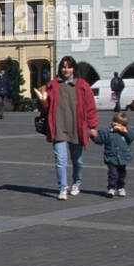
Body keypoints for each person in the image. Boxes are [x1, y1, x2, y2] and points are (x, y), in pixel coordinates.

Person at [37, 55, 98, 201]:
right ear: (60, 69)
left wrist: (93, 126)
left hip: (77, 128)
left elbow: (91, 108)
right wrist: (42, 100)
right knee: (60, 160)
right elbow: (45, 108)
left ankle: (76, 183)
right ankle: (62, 188)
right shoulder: (52, 85)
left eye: (69, 67)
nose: (66, 70)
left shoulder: (82, 85)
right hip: (58, 128)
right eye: (64, 67)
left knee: (78, 161)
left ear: (74, 69)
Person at [90, 111, 134, 197]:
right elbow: (100, 140)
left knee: (122, 173)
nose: (116, 124)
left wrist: (125, 131)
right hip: (111, 157)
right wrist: (94, 136)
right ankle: (111, 187)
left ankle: (121, 187)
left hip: (123, 157)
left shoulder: (127, 131)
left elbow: (133, 135)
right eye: (115, 121)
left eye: (119, 123)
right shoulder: (107, 131)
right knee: (113, 173)